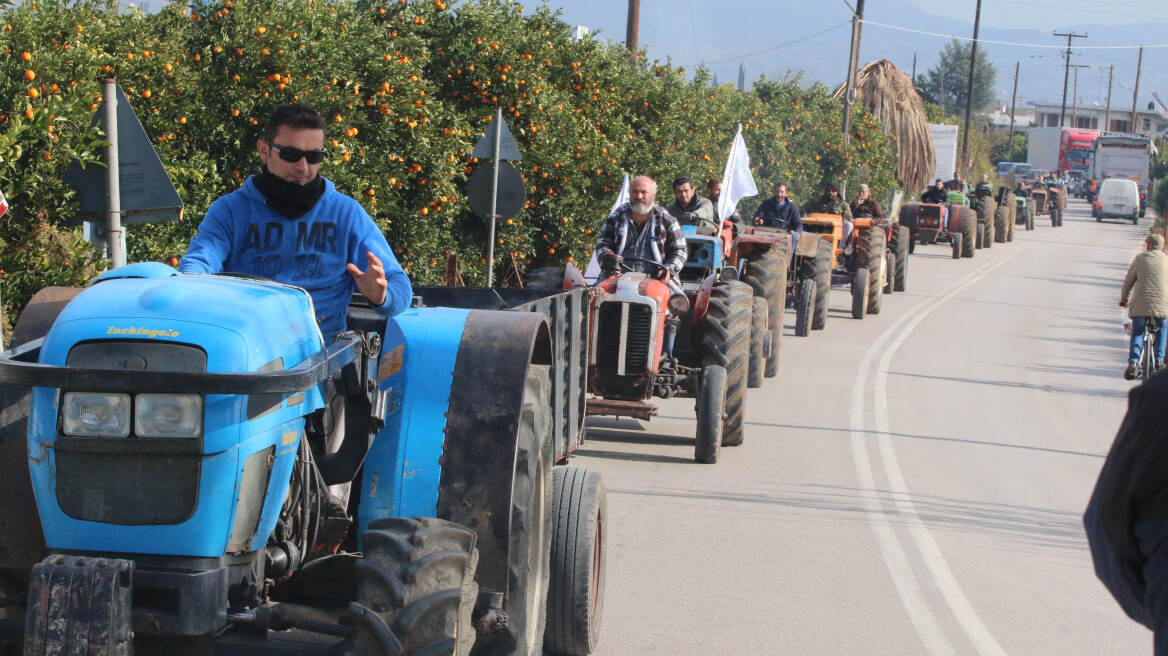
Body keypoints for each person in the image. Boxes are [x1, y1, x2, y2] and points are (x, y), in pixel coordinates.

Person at [180, 104, 412, 343]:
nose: (303, 167)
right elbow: (199, 261)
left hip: (321, 359)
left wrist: (381, 298)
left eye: (313, 157)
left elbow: (400, 288)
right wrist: (189, 283)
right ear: (264, 150)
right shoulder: (230, 210)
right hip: (248, 351)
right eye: (291, 155)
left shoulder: (345, 213)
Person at [595, 175, 688, 284]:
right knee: (592, 298)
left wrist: (669, 269)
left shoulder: (667, 220)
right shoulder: (616, 217)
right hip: (617, 279)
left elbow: (680, 250)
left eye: (644, 192)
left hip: (657, 280)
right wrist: (608, 257)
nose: (639, 196)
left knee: (679, 300)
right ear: (630, 194)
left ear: (654, 196)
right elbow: (602, 244)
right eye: (635, 191)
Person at [1120, 233, 1168, 379]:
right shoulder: (1167, 260)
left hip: (1141, 306)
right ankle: (1159, 361)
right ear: (1162, 247)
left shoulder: (1140, 259)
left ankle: (1133, 363)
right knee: (1162, 329)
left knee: (1138, 332)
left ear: (1148, 246)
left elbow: (1129, 281)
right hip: (1162, 307)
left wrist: (1124, 299)